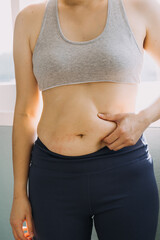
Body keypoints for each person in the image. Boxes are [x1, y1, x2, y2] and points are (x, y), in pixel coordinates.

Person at [10, 0, 160, 239]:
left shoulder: (139, 8)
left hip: (124, 171)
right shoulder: (29, 18)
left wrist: (144, 118)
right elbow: (25, 112)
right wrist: (19, 195)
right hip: (53, 177)